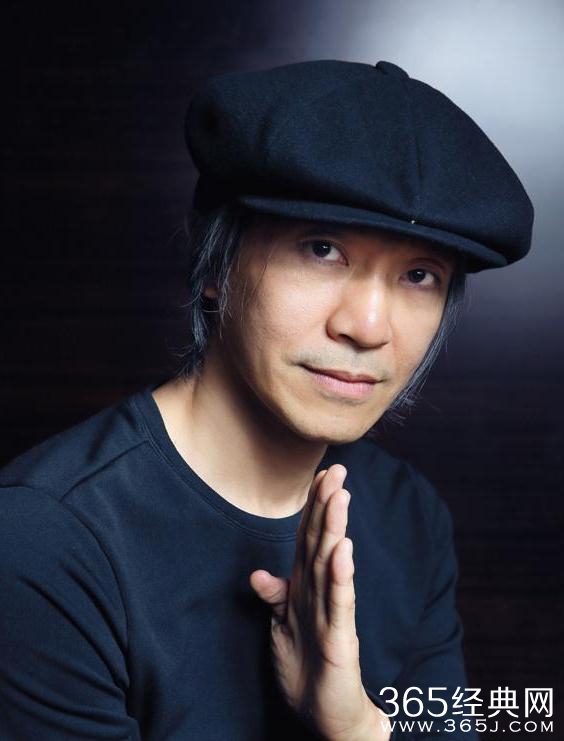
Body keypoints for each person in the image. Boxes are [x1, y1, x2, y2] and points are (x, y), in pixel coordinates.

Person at [0, 60, 533, 740]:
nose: (368, 326)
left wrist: (355, 726)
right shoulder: (44, 541)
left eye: (420, 275)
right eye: (322, 249)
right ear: (217, 264)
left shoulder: (408, 514)